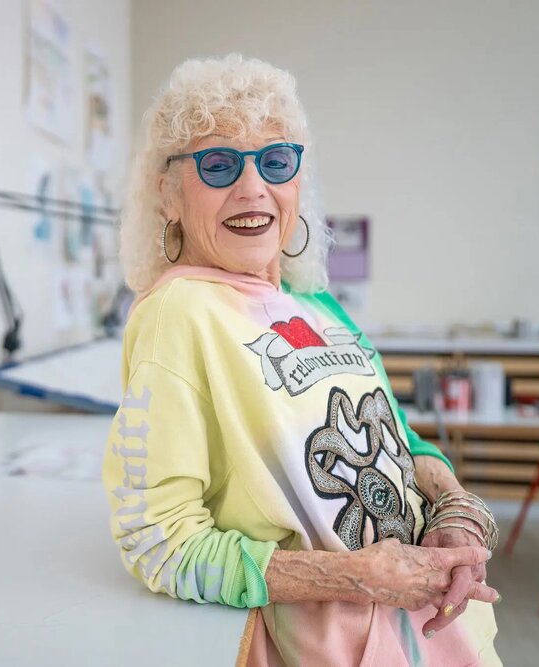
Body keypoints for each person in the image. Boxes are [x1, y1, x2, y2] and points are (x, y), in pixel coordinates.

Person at [103, 55, 501, 666]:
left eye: (276, 160)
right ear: (168, 194)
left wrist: (456, 508)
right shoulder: (177, 314)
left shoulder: (312, 299)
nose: (253, 187)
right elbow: (160, 545)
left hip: (444, 626)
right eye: (217, 164)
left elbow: (399, 436)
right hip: (335, 650)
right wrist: (354, 576)